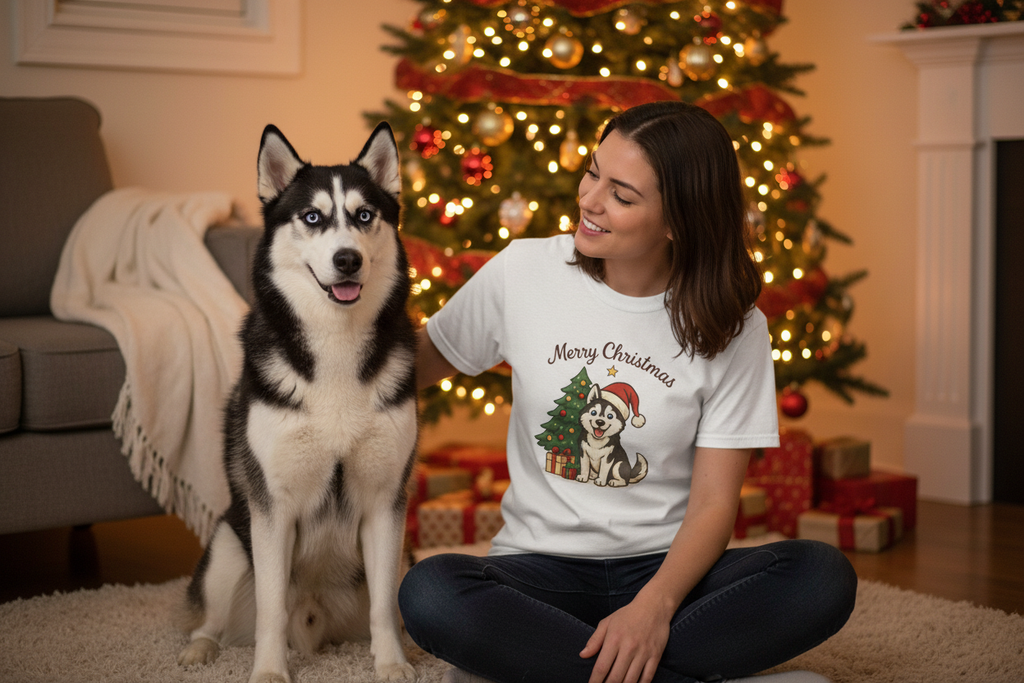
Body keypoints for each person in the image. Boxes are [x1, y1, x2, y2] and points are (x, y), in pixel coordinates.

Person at [399, 101, 857, 683]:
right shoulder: (524, 272)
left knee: (821, 576)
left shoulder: (734, 326)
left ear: (677, 222)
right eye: (593, 172)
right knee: (432, 593)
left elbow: (716, 505)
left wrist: (654, 608)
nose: (588, 200)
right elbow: (412, 363)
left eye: (621, 194)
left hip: (670, 575)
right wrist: (324, 332)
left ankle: (544, 665)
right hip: (540, 571)